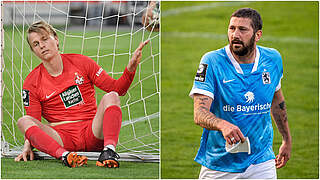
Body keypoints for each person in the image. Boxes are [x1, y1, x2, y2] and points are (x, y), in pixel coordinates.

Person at [14, 20, 149, 168]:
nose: (41, 45)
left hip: (92, 132)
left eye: (45, 39)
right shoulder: (31, 82)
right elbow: (33, 121)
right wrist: (29, 143)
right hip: (62, 138)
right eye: (36, 44)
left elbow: (118, 89)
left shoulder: (81, 62)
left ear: (56, 39)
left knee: (112, 96)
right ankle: (66, 157)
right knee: (23, 120)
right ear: (34, 52)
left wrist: (130, 69)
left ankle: (109, 152)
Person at [189, 8, 291, 179]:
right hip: (220, 162)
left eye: (242, 29)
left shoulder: (273, 59)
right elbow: (199, 113)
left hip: (262, 160)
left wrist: (286, 140)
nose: (235, 34)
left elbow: (277, 101)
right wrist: (223, 125)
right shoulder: (212, 61)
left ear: (257, 35)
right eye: (232, 28)